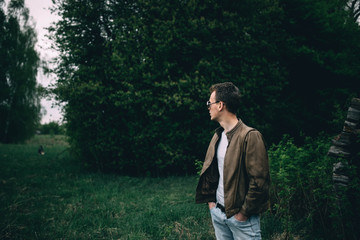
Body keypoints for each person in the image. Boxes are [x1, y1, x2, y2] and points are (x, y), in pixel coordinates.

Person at [195, 82, 270, 240]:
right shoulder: (218, 136)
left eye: (210, 103)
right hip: (218, 214)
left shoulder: (250, 136)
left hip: (242, 220)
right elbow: (212, 172)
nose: (208, 107)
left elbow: (259, 182)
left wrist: (243, 214)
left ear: (221, 105)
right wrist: (212, 204)